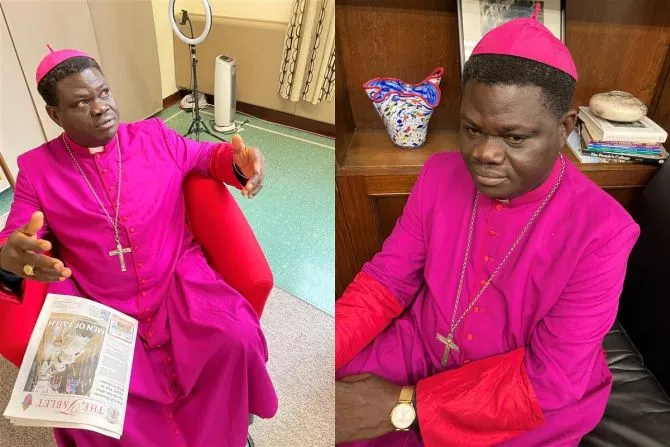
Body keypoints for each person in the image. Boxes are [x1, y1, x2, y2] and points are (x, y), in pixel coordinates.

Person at [335, 6, 640, 447]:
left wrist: (404, 406)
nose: (484, 154)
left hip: (523, 388)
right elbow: (386, 282)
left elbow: (552, 376)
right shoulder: (438, 174)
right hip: (423, 346)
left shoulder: (604, 231)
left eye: (514, 137)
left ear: (563, 128)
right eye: (472, 129)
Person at [0, 47, 276, 446]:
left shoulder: (153, 136)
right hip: (98, 299)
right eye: (81, 102)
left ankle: (229, 432)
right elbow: (18, 234)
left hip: (177, 282)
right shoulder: (37, 168)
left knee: (237, 336)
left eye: (104, 92)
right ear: (55, 115)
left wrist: (239, 165)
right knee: (85, 400)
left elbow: (207, 157)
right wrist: (11, 256)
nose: (101, 108)